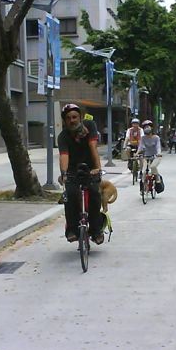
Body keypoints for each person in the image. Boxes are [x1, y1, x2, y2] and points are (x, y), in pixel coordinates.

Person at [58, 103, 104, 244]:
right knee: (69, 196)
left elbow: (92, 147)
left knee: (95, 194)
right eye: (68, 118)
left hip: (90, 169)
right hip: (73, 171)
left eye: (75, 117)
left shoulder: (90, 126)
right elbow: (64, 156)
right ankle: (72, 229)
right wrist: (64, 173)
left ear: (81, 117)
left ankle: (96, 231)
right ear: (65, 121)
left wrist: (98, 168)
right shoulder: (63, 136)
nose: (72, 120)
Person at [136, 120, 163, 189]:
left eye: (148, 126)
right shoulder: (143, 138)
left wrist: (159, 153)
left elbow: (158, 147)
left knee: (153, 167)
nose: (147, 128)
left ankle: (157, 178)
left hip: (156, 156)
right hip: (146, 156)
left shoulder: (156, 138)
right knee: (143, 171)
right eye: (145, 127)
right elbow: (140, 147)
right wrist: (137, 153)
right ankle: (143, 187)